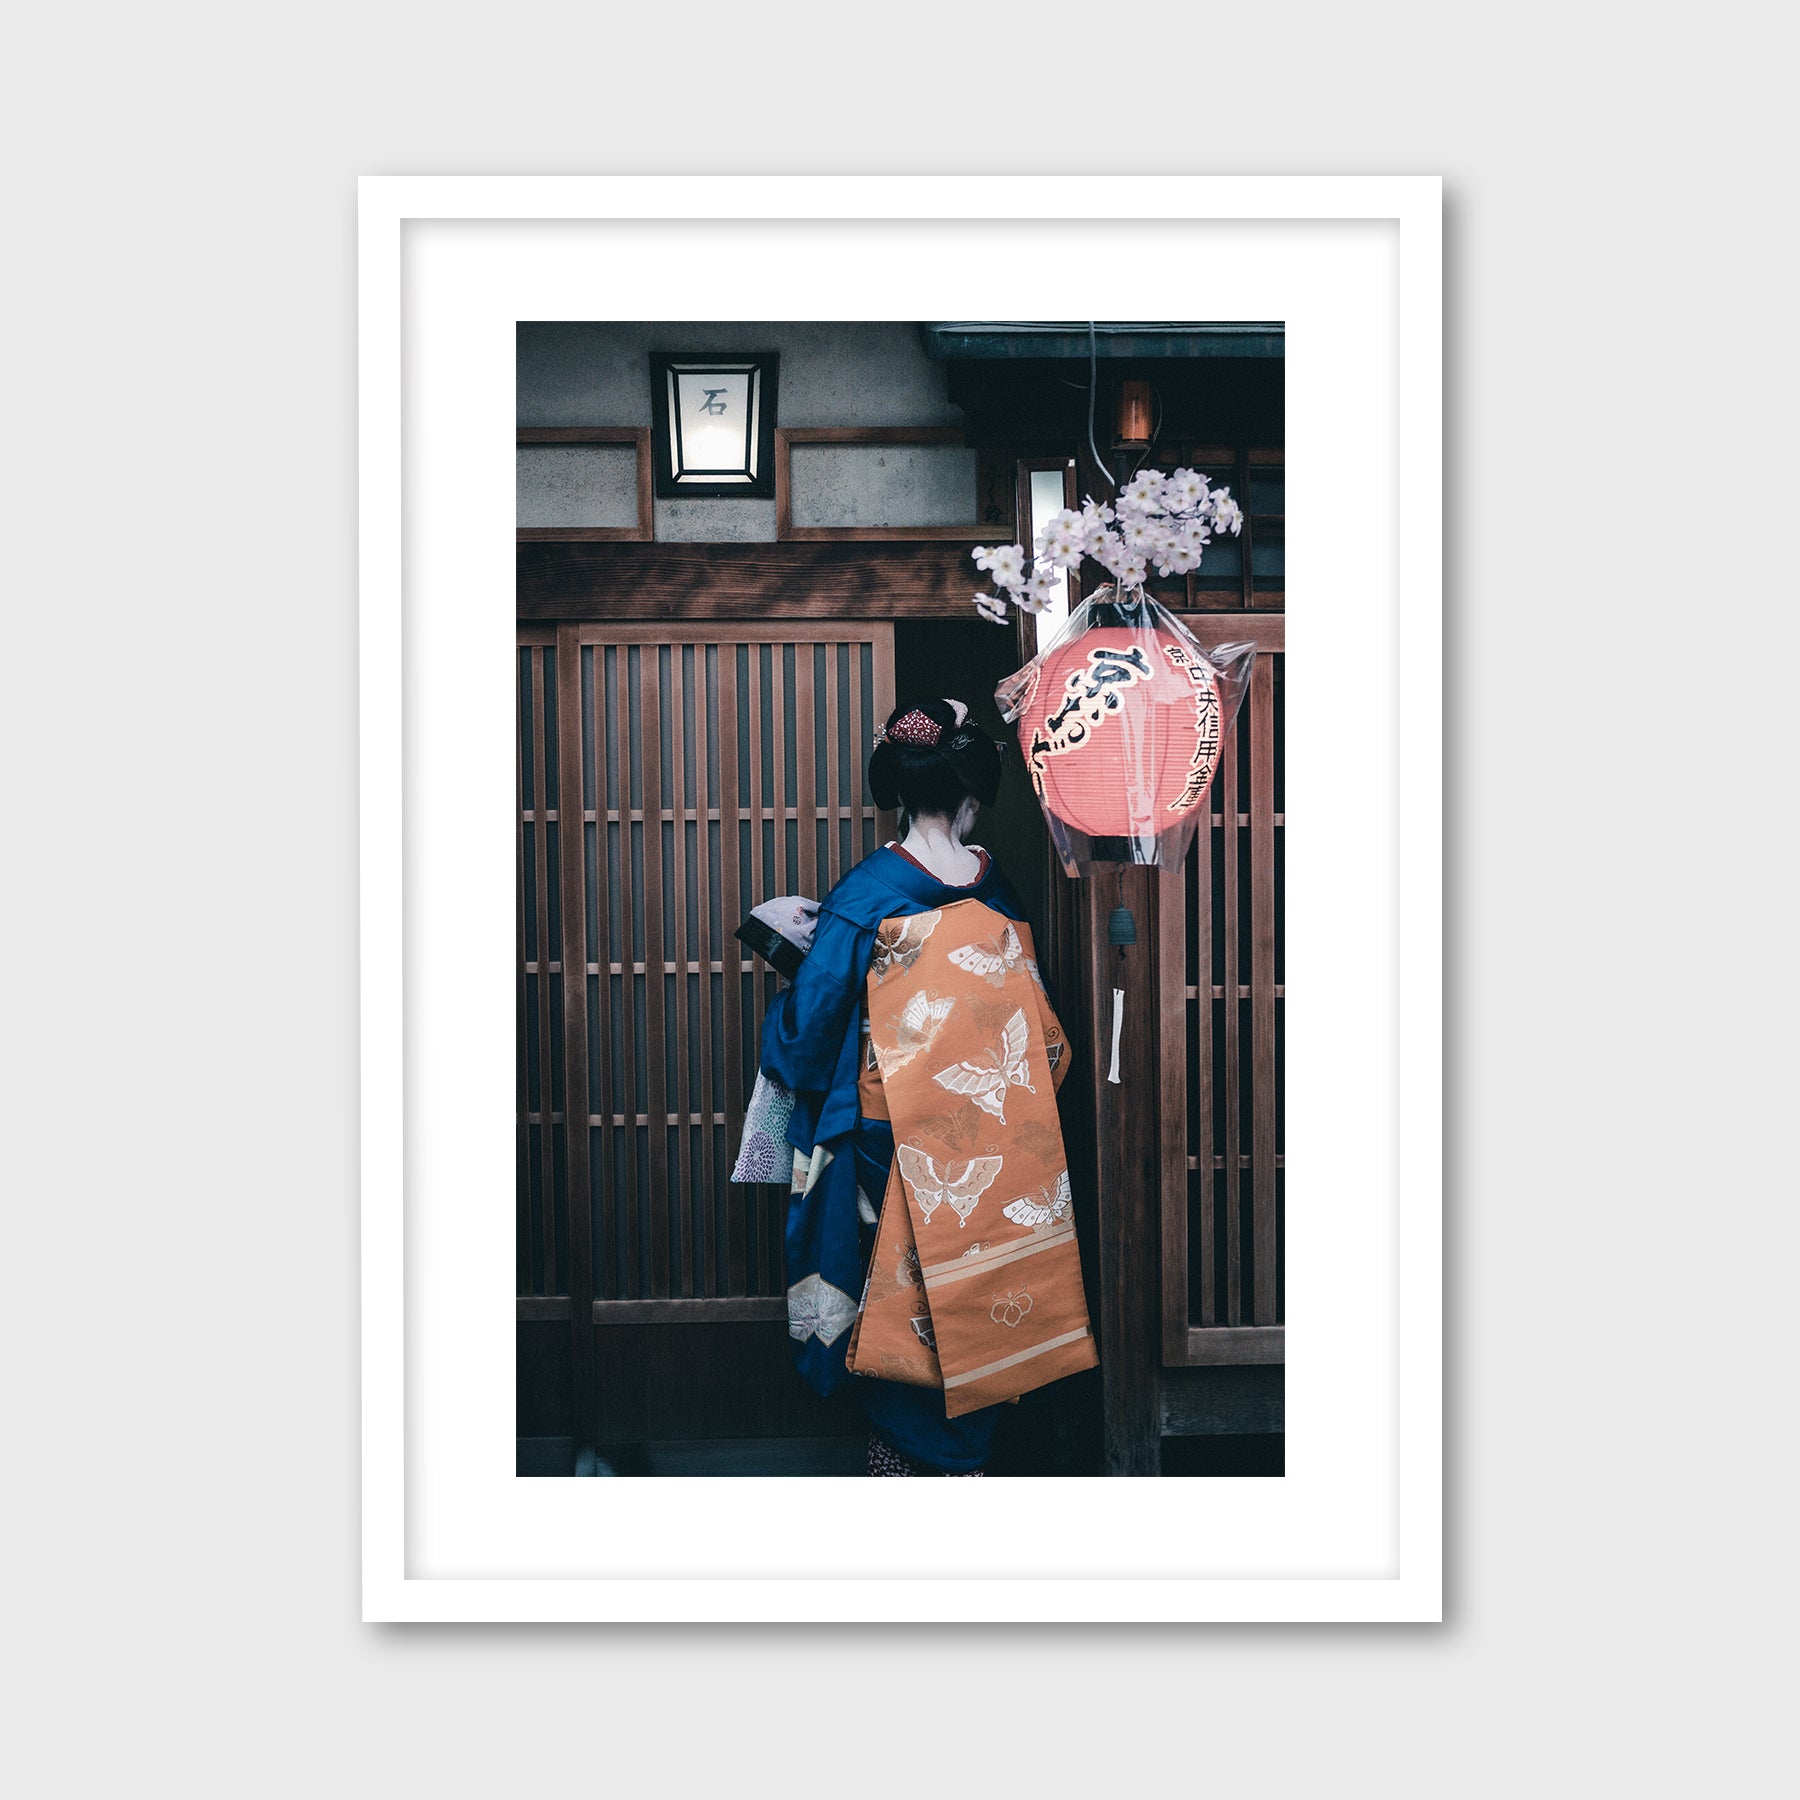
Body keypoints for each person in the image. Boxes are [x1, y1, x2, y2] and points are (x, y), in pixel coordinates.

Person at [759, 696, 1040, 1475]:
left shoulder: (867, 893)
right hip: (988, 1132)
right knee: (973, 1284)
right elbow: (1035, 1027)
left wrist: (793, 976)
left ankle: (905, 1468)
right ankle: (969, 1463)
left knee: (897, 1294)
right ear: (970, 798)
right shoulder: (999, 890)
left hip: (888, 1137)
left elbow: (808, 1038)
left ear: (902, 790)